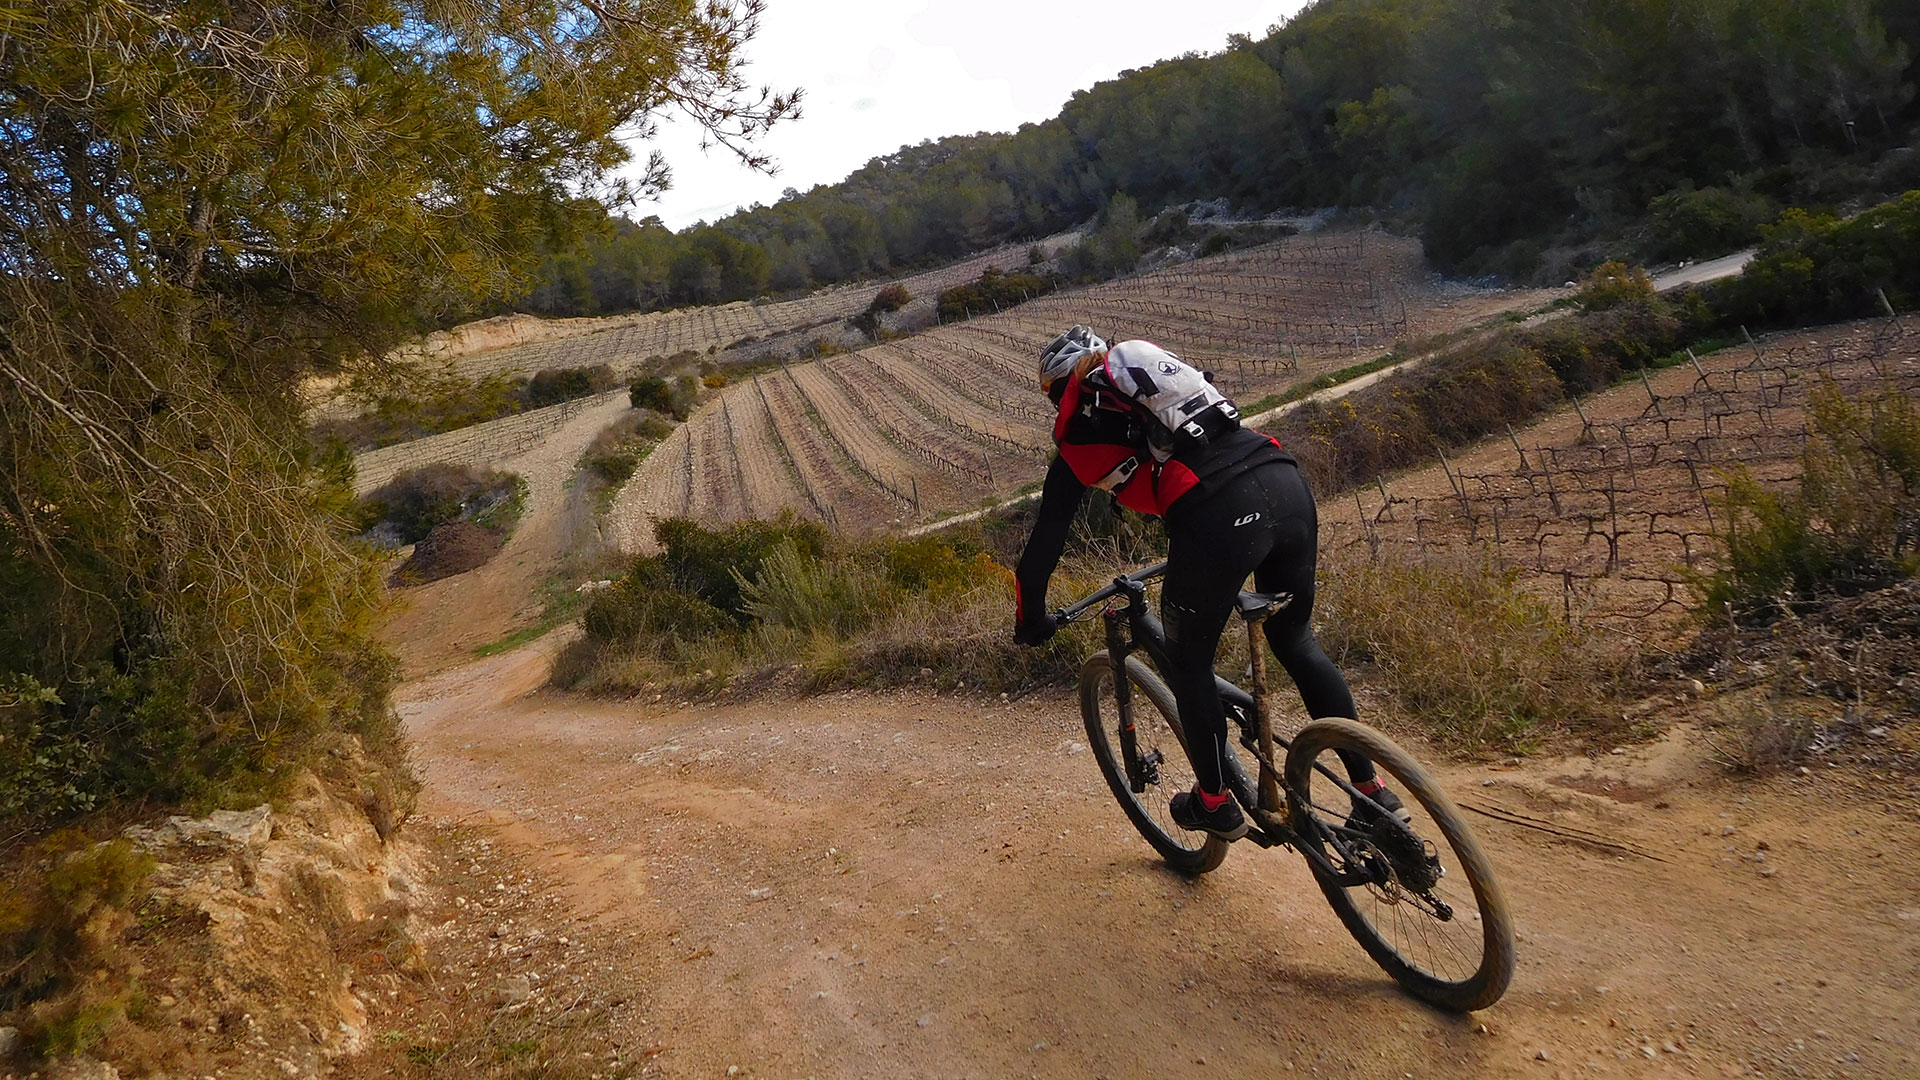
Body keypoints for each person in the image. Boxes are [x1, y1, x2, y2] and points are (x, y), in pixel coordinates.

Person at [1011, 325, 1400, 840]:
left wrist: (1032, 618)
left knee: (1189, 662)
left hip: (1217, 511)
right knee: (1298, 641)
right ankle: (1371, 792)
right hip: (1283, 478)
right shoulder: (1159, 386)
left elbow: (1043, 546)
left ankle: (1214, 803)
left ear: (1061, 390)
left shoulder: (1078, 439)